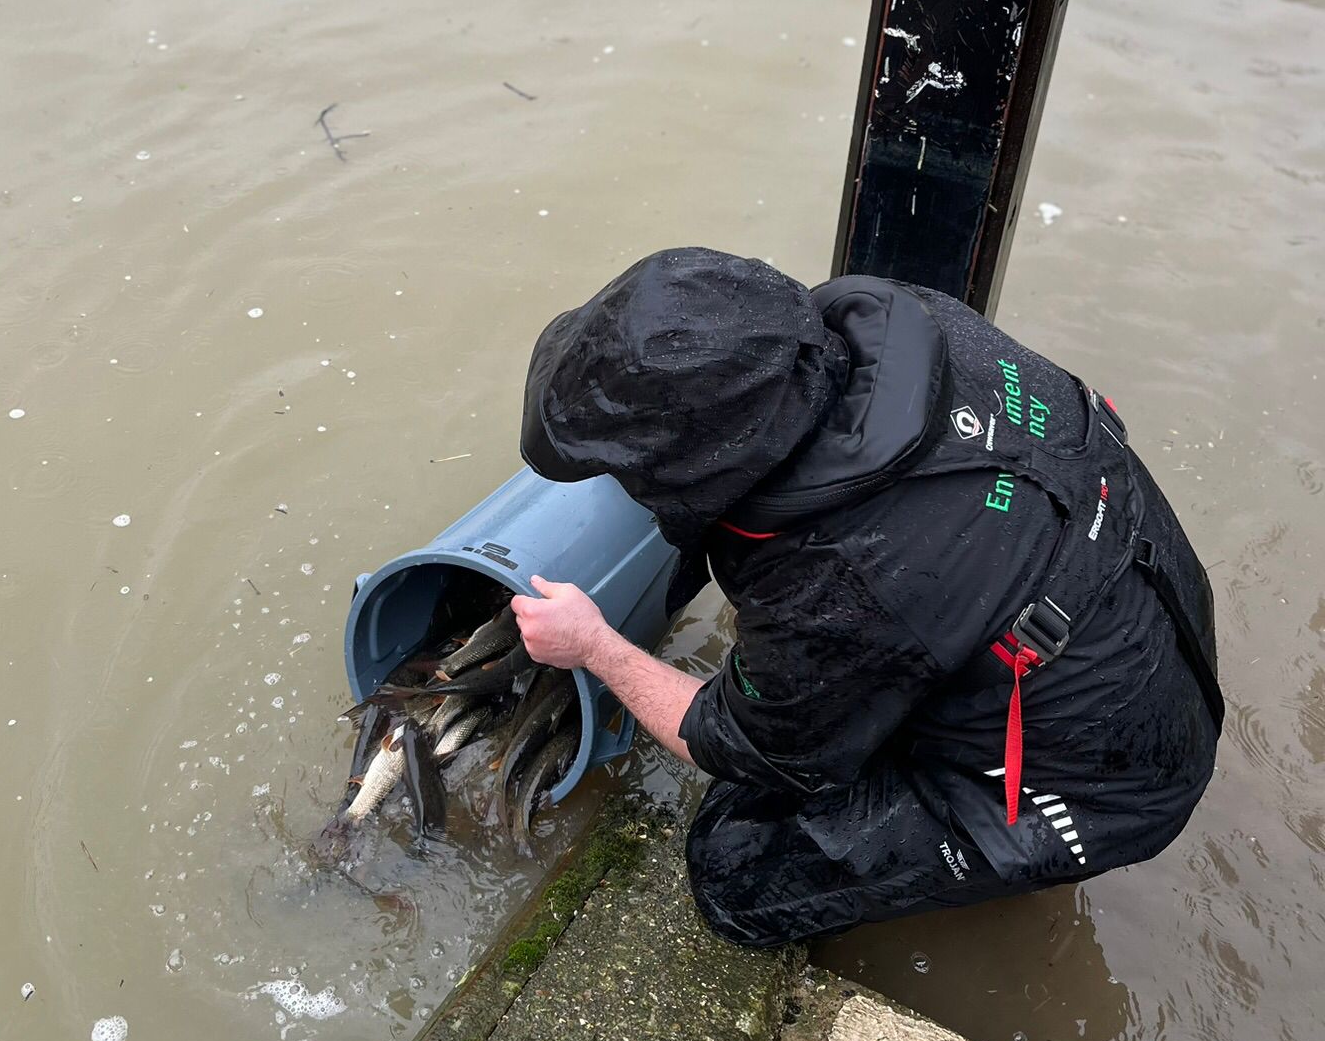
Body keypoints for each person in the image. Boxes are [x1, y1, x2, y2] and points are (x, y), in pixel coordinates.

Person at [509, 247, 1223, 949]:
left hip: (1108, 782)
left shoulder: (844, 582)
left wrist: (596, 647)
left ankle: (998, 855)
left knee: (736, 868)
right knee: (846, 682)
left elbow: (732, 741)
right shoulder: (905, 320)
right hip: (1141, 599)